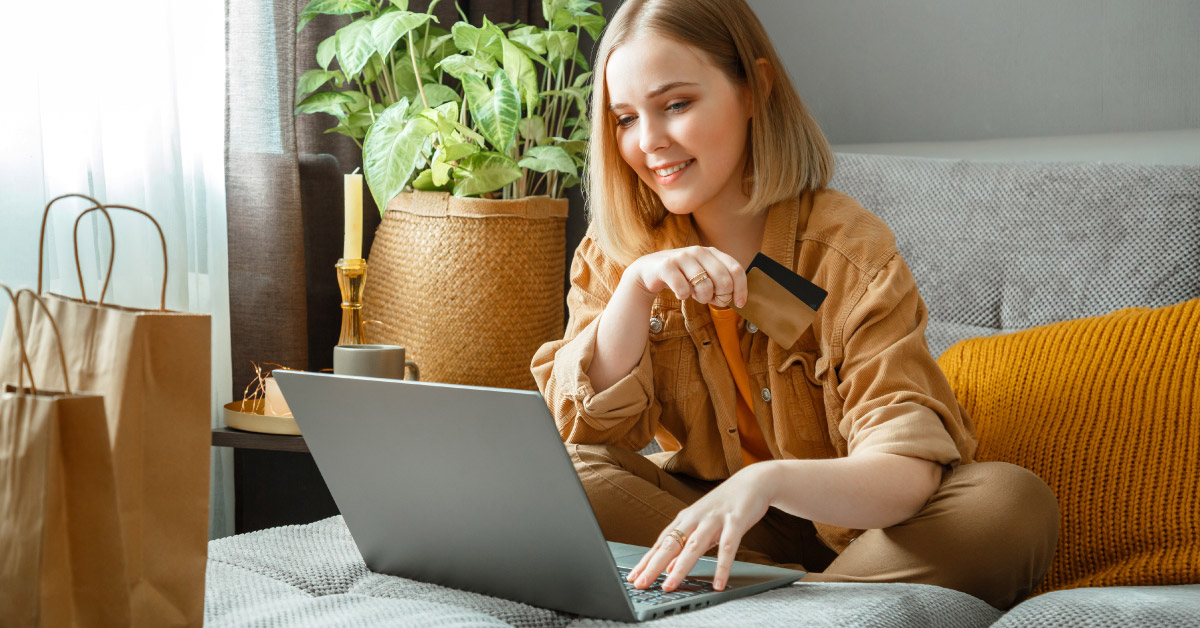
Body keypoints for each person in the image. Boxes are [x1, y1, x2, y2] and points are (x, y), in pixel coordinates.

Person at [530, 0, 1058, 611]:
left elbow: (907, 469)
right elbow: (586, 431)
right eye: (625, 119)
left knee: (1008, 503)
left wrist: (767, 483)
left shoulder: (847, 251)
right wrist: (636, 288)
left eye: (676, 104)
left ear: (755, 88)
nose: (649, 143)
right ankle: (804, 604)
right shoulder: (618, 252)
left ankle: (768, 604)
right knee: (560, 477)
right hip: (716, 527)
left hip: (867, 531)